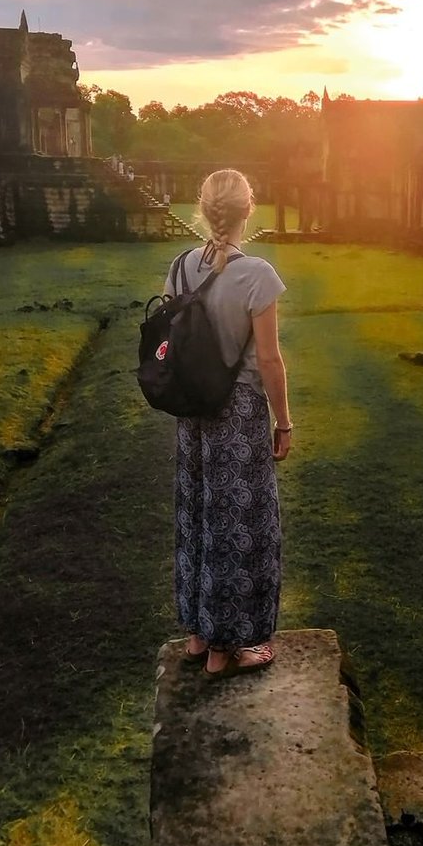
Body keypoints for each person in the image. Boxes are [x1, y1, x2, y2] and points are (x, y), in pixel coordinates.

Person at [164, 168, 292, 678]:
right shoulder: (257, 274)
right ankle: (229, 647)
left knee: (198, 516)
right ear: (248, 209)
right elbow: (269, 360)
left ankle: (199, 635)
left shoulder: (178, 268)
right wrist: (284, 423)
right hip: (236, 416)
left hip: (192, 413)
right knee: (236, 524)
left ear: (203, 207)